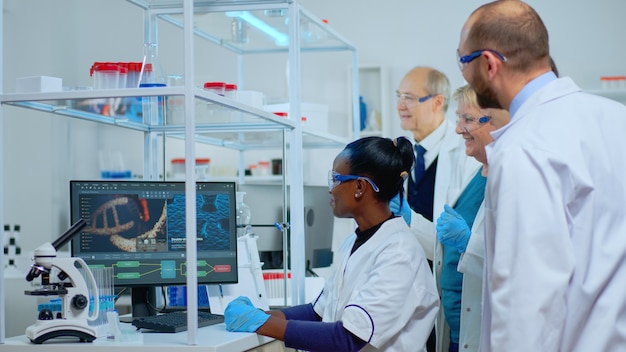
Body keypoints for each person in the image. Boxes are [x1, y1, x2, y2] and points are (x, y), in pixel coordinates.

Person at [457, 1, 626, 351]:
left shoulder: (524, 147)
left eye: (463, 61)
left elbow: (526, 306)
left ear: (488, 64)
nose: (463, 74)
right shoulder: (615, 118)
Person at [224, 136, 440, 352]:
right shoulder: (355, 242)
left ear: (359, 186)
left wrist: (261, 323)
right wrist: (260, 314)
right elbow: (318, 312)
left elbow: (348, 339)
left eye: (336, 178)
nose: (331, 189)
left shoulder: (400, 254)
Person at [390, 67, 481, 352]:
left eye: (409, 97)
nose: (400, 105)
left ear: (437, 102)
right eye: (398, 96)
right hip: (411, 293)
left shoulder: (468, 155)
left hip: (451, 297)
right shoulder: (404, 154)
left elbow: (450, 246)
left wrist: (409, 219)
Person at [435, 85, 510, 352]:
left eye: (468, 120)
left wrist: (469, 243)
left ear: (496, 121)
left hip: (484, 329)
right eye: (459, 120)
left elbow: (515, 263)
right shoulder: (477, 172)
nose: (458, 129)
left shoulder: (510, 177)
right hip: (457, 327)